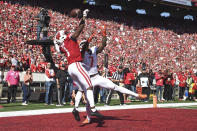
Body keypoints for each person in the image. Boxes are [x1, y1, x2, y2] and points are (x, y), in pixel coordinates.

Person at [75, 26, 147, 124]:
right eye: (83, 44)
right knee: (89, 99)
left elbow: (103, 45)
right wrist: (88, 40)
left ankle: (136, 95)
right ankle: (88, 118)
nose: (84, 46)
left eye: (85, 44)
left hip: (97, 76)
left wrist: (104, 35)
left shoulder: (93, 49)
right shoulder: (80, 54)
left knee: (115, 87)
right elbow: (83, 50)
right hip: (88, 79)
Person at [53, 9, 101, 121]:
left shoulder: (61, 46)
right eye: (64, 33)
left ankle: (75, 108)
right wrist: (83, 17)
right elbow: (80, 29)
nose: (66, 33)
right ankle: (93, 109)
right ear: (63, 37)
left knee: (81, 88)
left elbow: (58, 48)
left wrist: (56, 42)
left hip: (70, 68)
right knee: (89, 85)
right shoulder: (69, 39)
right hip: (77, 64)